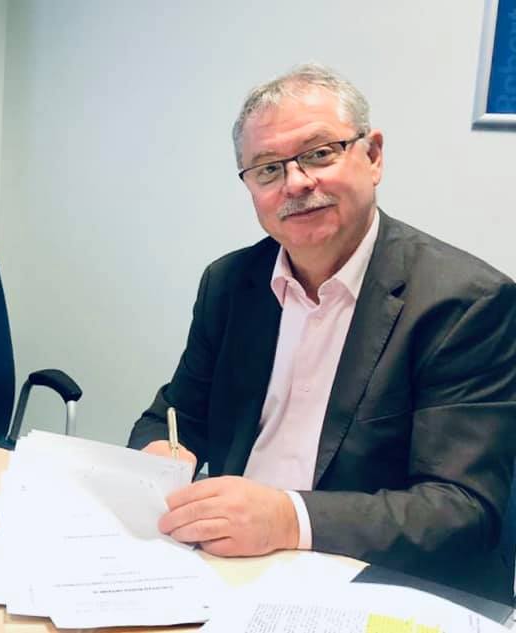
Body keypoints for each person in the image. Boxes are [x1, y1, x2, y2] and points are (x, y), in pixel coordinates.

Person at [129, 63, 516, 602]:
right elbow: (176, 415)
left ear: (373, 156)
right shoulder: (231, 283)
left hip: (379, 585)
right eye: (267, 169)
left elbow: (461, 510)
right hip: (230, 571)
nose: (295, 183)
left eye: (318, 154)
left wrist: (288, 518)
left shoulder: (465, 302)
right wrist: (159, 458)